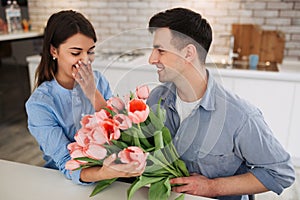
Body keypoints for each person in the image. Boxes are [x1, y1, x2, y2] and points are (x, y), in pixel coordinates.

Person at [146, 7, 295, 200]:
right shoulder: (156, 99)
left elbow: (281, 173)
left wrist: (212, 187)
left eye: (161, 50)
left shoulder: (240, 116)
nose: (151, 59)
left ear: (188, 53)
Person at [25, 10, 144, 185]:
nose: (85, 60)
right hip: (63, 182)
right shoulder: (40, 105)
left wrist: (92, 93)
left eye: (90, 52)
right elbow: (66, 162)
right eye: (76, 53)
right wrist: (103, 173)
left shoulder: (98, 81)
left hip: (109, 173)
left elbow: (120, 133)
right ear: (54, 51)